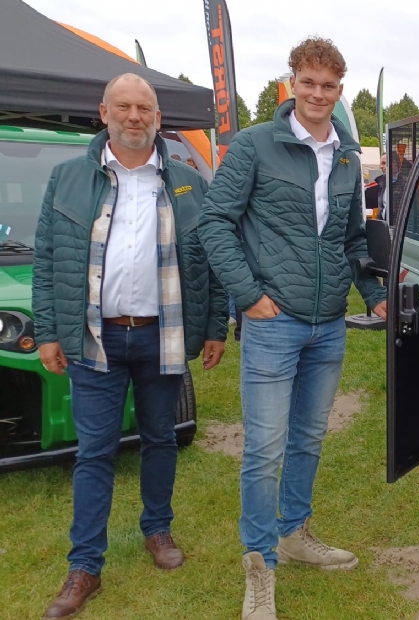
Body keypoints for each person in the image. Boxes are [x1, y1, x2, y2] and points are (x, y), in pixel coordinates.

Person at [199, 37, 387, 620]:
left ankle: (294, 533)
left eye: (328, 86)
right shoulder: (256, 144)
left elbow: (352, 239)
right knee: (264, 448)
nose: (317, 94)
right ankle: (259, 567)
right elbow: (214, 222)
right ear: (292, 84)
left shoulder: (348, 155)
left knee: (307, 438)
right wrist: (248, 296)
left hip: (327, 325)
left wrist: (375, 295)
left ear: (339, 90)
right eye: (308, 82)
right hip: (272, 322)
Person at [32, 73, 228, 619]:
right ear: (104, 112)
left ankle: (157, 529)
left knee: (161, 438)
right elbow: (48, 258)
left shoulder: (187, 181)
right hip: (96, 335)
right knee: (94, 451)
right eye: (124, 106)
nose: (135, 116)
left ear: (158, 118)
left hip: (163, 334)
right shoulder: (68, 177)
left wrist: (216, 326)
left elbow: (211, 258)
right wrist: (47, 331)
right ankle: (85, 566)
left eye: (145, 108)